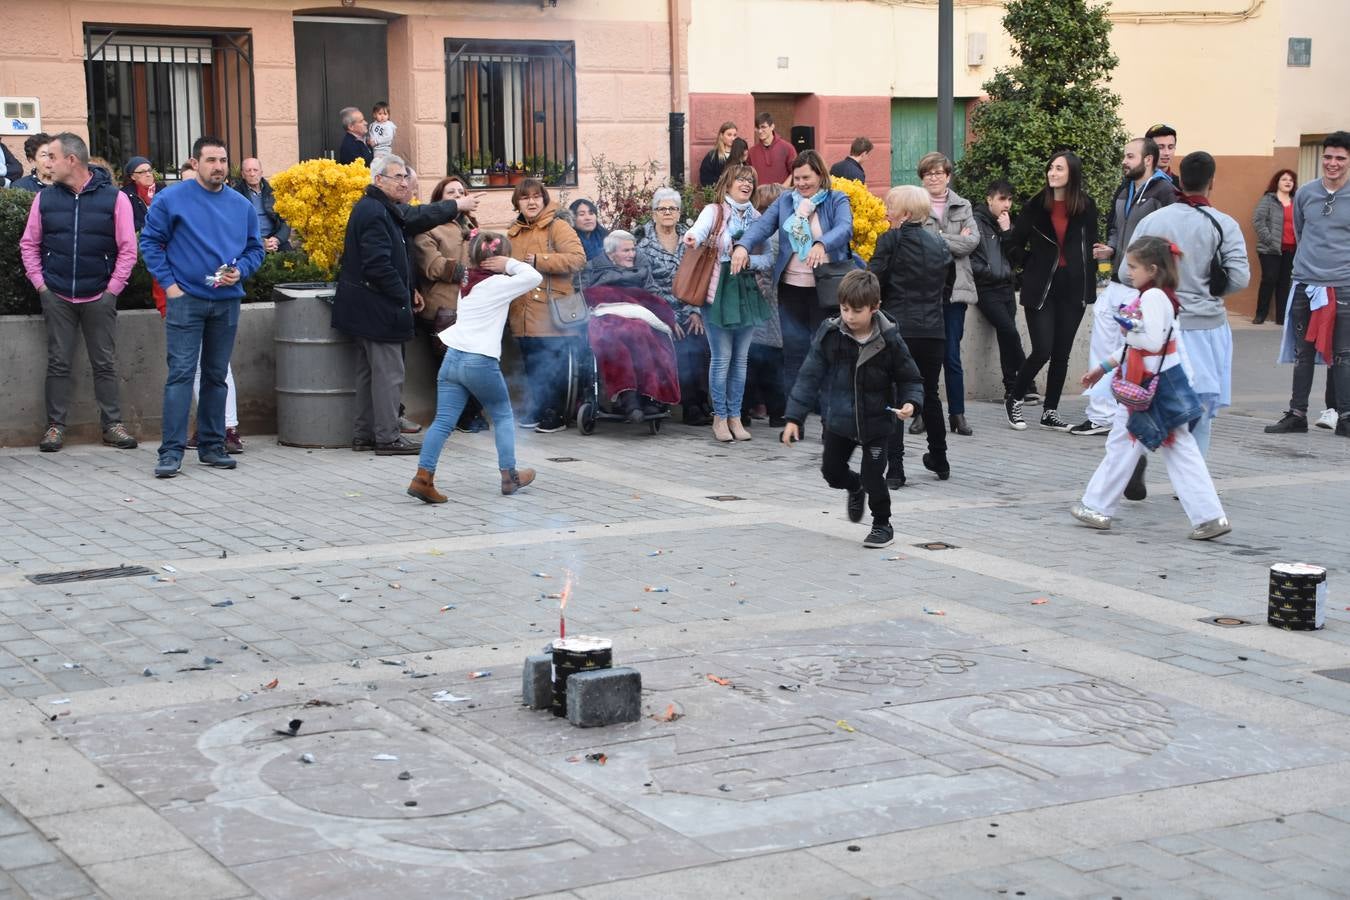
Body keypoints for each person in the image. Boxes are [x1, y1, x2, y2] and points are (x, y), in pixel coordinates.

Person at [1073, 236, 1231, 541]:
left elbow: (1150, 343)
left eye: (1134, 267)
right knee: (1172, 448)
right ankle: (1209, 516)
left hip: (1148, 385)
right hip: (1159, 381)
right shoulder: (1160, 296)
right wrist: (1104, 367)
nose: (1129, 272)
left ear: (1153, 269)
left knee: (1127, 444)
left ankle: (1097, 506)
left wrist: (1128, 327)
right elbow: (1154, 346)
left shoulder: (1152, 298)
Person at [331, 153, 478, 456]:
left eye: (405, 177)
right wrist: (402, 294)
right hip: (377, 308)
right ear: (378, 180)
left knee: (369, 373)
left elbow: (415, 218)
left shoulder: (384, 209)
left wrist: (409, 288)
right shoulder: (375, 211)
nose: (403, 182)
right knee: (388, 375)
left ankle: (364, 435)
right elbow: (379, 265)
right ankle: (386, 437)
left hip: (368, 307)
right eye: (396, 177)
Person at [140, 135, 265, 478]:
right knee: (181, 375)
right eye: (211, 160)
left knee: (215, 375)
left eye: (223, 161)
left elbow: (256, 249)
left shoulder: (240, 205)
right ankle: (171, 452)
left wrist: (241, 270)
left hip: (226, 302)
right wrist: (170, 287)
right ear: (195, 164)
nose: (219, 167)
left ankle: (212, 446)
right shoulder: (171, 199)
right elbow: (150, 243)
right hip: (186, 301)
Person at [781, 269, 924, 550]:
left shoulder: (890, 338)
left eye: (856, 311)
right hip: (840, 420)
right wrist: (794, 417)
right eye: (844, 309)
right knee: (831, 472)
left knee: (875, 477)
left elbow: (910, 378)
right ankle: (853, 486)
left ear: (874, 308)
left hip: (877, 421)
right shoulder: (831, 334)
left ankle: (882, 524)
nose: (848, 316)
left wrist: (911, 403)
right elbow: (810, 375)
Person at [19, 132, 140, 454]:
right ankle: (55, 426)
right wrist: (41, 285)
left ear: (71, 160)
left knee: (104, 362)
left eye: (53, 157)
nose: (48, 164)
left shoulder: (114, 198)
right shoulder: (44, 198)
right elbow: (29, 244)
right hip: (56, 294)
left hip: (99, 294)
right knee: (58, 362)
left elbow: (128, 249)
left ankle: (112, 425)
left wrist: (112, 289)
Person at [1128, 151, 1249, 465]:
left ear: (1181, 179)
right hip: (1205, 327)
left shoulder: (1154, 220)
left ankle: (1137, 455)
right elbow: (1239, 277)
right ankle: (1192, 482)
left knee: (1149, 397)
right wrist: (1210, 288)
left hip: (1158, 327)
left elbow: (1127, 271)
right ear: (1212, 181)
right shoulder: (1224, 224)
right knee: (1201, 409)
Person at [407, 231, 541, 504]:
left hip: (452, 357)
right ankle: (509, 476)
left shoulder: (468, 278)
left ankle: (423, 478)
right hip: (479, 360)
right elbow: (533, 276)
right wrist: (509, 264)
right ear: (499, 258)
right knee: (503, 416)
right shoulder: (497, 283)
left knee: (443, 422)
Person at [732, 150, 854, 423]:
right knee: (794, 356)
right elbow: (762, 227)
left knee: (828, 352)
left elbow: (845, 228)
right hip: (792, 288)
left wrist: (822, 243)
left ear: (820, 176)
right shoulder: (786, 201)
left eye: (806, 177)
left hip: (826, 291)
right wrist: (742, 245)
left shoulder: (836, 200)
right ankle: (794, 419)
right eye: (797, 178)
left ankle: (829, 420)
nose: (801, 183)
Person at [1081, 136, 1179, 436]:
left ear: (1147, 160)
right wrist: (1111, 248)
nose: (1124, 161)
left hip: (1142, 285)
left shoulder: (1164, 191)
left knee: (1134, 346)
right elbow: (1114, 226)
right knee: (1103, 340)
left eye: (1129, 156)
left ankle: (1130, 410)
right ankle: (1100, 415)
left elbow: (1169, 238)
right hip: (1117, 280)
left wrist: (1154, 278)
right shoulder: (1124, 188)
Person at [1004, 150, 1100, 432]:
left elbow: (1089, 247)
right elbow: (1013, 244)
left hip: (1073, 288)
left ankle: (1051, 411)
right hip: (1041, 288)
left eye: (1059, 169)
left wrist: (1090, 281)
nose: (1052, 173)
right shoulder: (1036, 205)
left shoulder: (1086, 206)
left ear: (1072, 174)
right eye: (1051, 168)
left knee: (1062, 353)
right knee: (1042, 349)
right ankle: (1016, 397)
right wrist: (1030, 265)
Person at [1266, 130, 1350, 439]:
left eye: (1340, 158)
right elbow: (1302, 232)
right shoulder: (1306, 193)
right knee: (1304, 353)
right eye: (1328, 156)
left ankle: (1346, 417)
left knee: (1343, 354)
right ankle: (1297, 414)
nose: (1332, 163)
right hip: (1306, 284)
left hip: (1343, 286)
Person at [870, 185, 953, 485]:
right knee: (928, 394)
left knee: (894, 394)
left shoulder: (890, 240)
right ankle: (940, 459)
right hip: (933, 330)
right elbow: (947, 287)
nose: (886, 212)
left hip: (898, 329)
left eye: (891, 207)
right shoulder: (940, 245)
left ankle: (895, 470)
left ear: (904, 213)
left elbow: (873, 281)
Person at [685, 165, 773, 442]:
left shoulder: (759, 218)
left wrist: (748, 260)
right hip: (717, 293)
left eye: (751, 180)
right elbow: (697, 232)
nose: (746, 183)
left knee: (741, 360)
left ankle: (736, 416)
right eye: (741, 179)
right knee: (722, 359)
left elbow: (768, 259)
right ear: (728, 183)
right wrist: (692, 238)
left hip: (747, 293)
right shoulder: (715, 211)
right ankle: (720, 417)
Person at [506, 178, 587, 433]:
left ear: (544, 199)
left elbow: (577, 259)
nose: (531, 202)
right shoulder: (513, 232)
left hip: (551, 312)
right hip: (522, 312)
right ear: (517, 202)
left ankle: (556, 414)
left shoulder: (558, 226)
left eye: (536, 197)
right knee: (530, 365)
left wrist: (540, 260)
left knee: (552, 366)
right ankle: (537, 409)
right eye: (525, 197)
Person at [580, 230, 684, 421]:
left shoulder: (642, 269)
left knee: (647, 334)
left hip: (638, 313)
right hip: (607, 313)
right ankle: (629, 398)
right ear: (611, 254)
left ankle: (649, 397)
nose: (632, 254)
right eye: (626, 250)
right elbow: (584, 297)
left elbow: (653, 294)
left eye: (633, 249)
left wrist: (669, 317)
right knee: (616, 336)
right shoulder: (593, 269)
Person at [413, 174, 486, 433]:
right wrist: (467, 271)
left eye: (460, 192)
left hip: (473, 308)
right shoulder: (428, 228)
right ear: (438, 200)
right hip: (443, 309)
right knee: (451, 367)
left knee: (476, 363)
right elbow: (432, 266)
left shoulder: (472, 226)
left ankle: (472, 414)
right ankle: (462, 416)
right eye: (450, 194)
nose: (458, 196)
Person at [914, 151, 978, 437]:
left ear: (948, 176)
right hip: (924, 291)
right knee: (923, 357)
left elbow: (972, 243)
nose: (934, 177)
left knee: (951, 355)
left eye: (939, 172)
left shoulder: (963, 205)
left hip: (955, 291)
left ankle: (957, 414)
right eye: (928, 173)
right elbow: (917, 244)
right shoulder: (915, 206)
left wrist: (938, 239)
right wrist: (952, 240)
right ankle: (921, 414)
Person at [635, 187, 710, 424]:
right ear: (654, 213)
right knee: (674, 342)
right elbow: (644, 286)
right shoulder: (640, 243)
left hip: (688, 305)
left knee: (698, 338)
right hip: (656, 310)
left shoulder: (691, 239)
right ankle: (676, 404)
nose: (667, 213)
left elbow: (699, 277)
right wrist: (667, 316)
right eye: (662, 209)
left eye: (672, 209)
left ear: (679, 213)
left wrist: (694, 312)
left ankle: (697, 403)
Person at [970, 179, 1029, 411]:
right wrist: (987, 273)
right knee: (1009, 331)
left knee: (1007, 336)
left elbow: (1016, 259)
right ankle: (1027, 382)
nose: (1007, 205)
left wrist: (1007, 233)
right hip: (986, 289)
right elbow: (969, 256)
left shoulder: (1006, 225)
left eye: (1010, 200)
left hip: (1006, 287)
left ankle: (1012, 387)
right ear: (989, 199)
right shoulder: (976, 222)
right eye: (1002, 199)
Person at [744, 183, 787, 428]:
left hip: (756, 303)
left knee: (752, 360)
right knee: (772, 363)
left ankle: (746, 411)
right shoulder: (779, 234)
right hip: (773, 304)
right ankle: (777, 413)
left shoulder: (757, 232)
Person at [1252, 169, 1297, 326]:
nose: (1288, 182)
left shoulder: (1296, 201)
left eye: (1291, 180)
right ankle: (1260, 315)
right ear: (1277, 182)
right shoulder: (1269, 199)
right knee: (1269, 279)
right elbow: (1258, 220)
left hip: (1291, 249)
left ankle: (1281, 318)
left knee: (1285, 282)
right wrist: (1269, 240)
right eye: (1284, 179)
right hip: (1270, 249)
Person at [231, 158, 291, 253]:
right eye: (248, 170)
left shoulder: (274, 192)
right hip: (250, 241)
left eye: (255, 170)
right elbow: (234, 227)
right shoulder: (236, 194)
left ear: (261, 172)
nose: (252, 174)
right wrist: (261, 243)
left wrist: (276, 239)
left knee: (290, 258)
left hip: (273, 238)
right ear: (243, 174)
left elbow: (285, 221)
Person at [747, 112, 795, 187]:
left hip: (782, 196)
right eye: (758, 128)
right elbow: (749, 176)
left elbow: (795, 171)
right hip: (759, 196)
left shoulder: (787, 148)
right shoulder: (752, 152)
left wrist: (783, 189)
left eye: (763, 127)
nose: (760, 131)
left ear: (772, 127)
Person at [699, 121, 739, 188]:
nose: (733, 138)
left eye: (735, 135)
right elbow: (705, 178)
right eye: (729, 135)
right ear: (721, 135)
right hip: (718, 194)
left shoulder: (739, 155)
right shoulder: (712, 156)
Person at [1145, 124, 1180, 188]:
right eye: (1160, 147)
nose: (1166, 153)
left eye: (1170, 147)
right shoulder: (1135, 183)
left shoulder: (1180, 185)